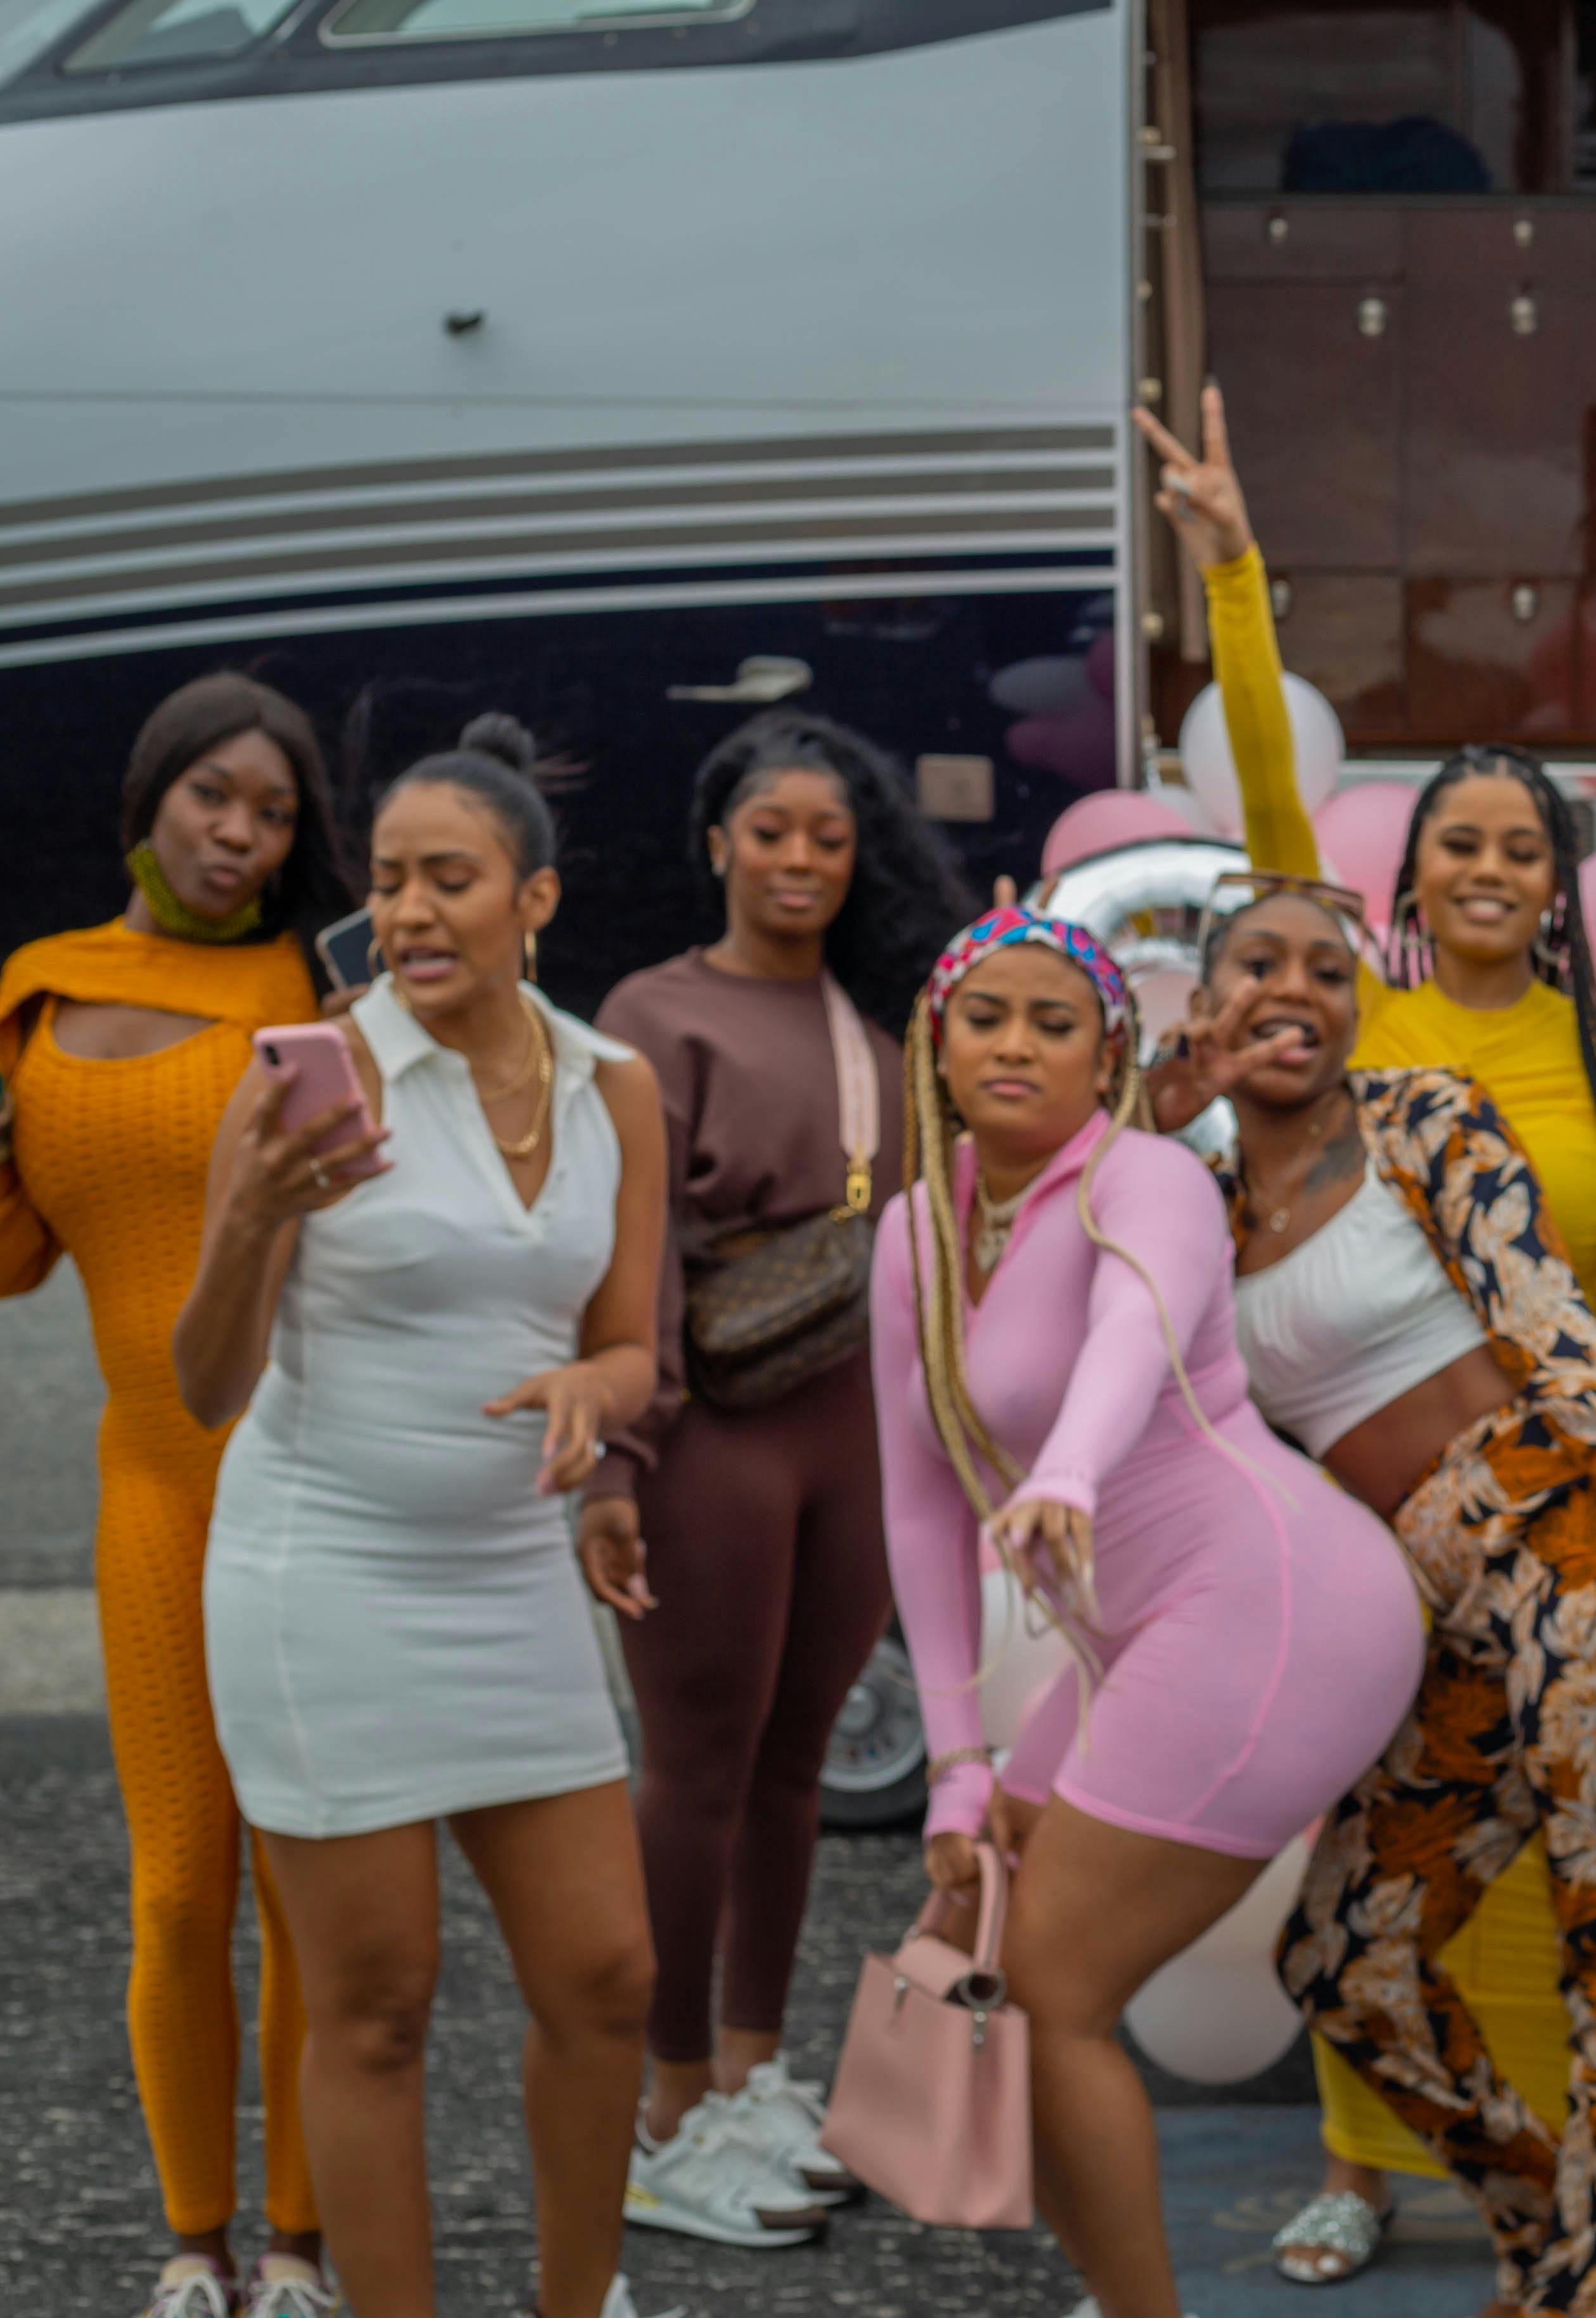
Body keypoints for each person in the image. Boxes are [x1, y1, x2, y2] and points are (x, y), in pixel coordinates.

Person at [1138, 386, 1596, 2280]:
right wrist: (1235, 576)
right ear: (1408, 886)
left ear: (1560, 884)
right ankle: (1366, 2165)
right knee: (1372, 1865)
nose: (1485, 866)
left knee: (1562, 1886)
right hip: (1370, 1531)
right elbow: (1279, 834)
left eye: (1519, 846)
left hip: (1566, 1508)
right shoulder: (1360, 1028)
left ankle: (1559, 2213)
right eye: (1452, 841)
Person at [1157, 876, 1596, 2317]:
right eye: (1255, 966)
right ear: (1198, 1013)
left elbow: (1551, 1324)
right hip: (1431, 1608)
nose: (1292, 992)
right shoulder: (1190, 1209)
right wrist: (1127, 1128)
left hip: (1581, 1544)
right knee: (1345, 1958)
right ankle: (1565, 2252)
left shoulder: (1419, 1120)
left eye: (1326, 972)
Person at [170, 717, 670, 2318]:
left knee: (608, 1978)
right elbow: (203, 1382)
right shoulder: (306, 1081)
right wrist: (251, 1214)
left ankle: (573, 2307)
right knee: (375, 2008)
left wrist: (597, 1397)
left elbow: (628, 1336)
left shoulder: (615, 1086)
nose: (407, 916)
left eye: (448, 881)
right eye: (386, 884)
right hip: (327, 1579)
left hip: (512, 1575)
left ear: (536, 898)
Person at [0, 671, 352, 2318]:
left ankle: (300, 2247)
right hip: (151, 1486)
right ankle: (195, 2243)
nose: (239, 832)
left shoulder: (320, 986)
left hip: (313, 1491)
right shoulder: (41, 986)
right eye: (215, 793)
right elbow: (3, 1260)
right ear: (151, 794)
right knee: (175, 1885)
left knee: (303, 1886)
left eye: (275, 812)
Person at [874, 902, 1424, 2318]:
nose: (1015, 1044)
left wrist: (1064, 1467)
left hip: (1274, 1604)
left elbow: (1138, 1326)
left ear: (1108, 1055)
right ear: (935, 1042)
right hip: (1138, 1636)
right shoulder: (916, 1231)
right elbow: (920, 1504)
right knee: (974, 1949)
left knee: (1052, 1997)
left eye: (1055, 1023)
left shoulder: (1152, 1176)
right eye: (985, 1015)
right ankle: (1112, 2288)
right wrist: (953, 1764)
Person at [586, 708, 971, 2242]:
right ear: (715, 844)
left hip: (854, 1427)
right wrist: (619, 1456)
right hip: (709, 1432)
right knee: (694, 1769)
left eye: (828, 834)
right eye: (770, 831)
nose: (801, 857)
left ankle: (751, 2074)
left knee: (799, 1770)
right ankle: (664, 2102)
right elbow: (629, 1265)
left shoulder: (882, 1023)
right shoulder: (649, 1013)